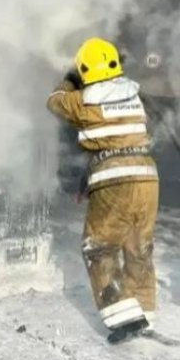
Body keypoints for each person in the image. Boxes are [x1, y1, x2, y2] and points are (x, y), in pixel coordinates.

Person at [47, 37, 159, 342]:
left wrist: (70, 79)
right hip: (147, 176)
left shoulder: (86, 101)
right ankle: (144, 310)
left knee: (100, 246)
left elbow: (55, 101)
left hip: (116, 179)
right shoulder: (134, 96)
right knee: (139, 246)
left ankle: (122, 316)